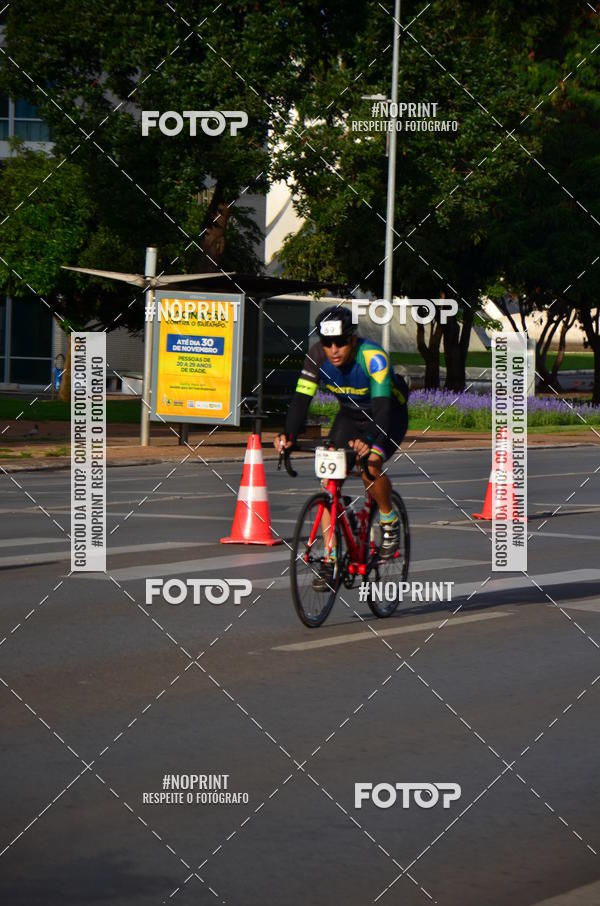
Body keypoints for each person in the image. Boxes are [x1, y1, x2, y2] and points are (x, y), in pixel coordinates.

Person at [274, 304, 409, 590]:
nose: (333, 349)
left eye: (340, 342)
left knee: (370, 464)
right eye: (327, 343)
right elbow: (301, 399)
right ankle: (331, 559)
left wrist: (370, 439)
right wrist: (288, 435)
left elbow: (383, 410)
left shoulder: (372, 357)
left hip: (388, 414)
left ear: (352, 339)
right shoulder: (316, 356)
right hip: (349, 415)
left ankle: (388, 520)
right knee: (329, 481)